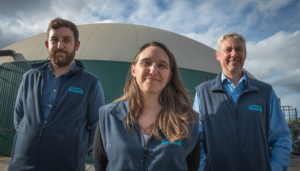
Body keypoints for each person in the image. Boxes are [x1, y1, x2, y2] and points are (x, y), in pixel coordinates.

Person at [8, 18, 105, 171]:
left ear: (76, 45)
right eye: (54, 40)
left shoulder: (91, 83)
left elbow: (97, 126)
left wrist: (77, 151)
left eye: (66, 40)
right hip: (21, 165)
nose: (60, 46)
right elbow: (19, 117)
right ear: (47, 45)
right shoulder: (29, 77)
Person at [93, 41, 200, 171]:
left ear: (169, 76)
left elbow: (192, 167)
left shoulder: (188, 120)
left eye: (162, 65)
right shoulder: (108, 116)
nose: (153, 70)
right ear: (133, 70)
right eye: (146, 63)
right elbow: (100, 166)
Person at [193, 32, 292, 171]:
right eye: (228, 50)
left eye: (239, 49)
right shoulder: (203, 93)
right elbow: (196, 141)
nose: (234, 54)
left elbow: (282, 139)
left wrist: (274, 168)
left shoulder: (265, 92)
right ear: (218, 55)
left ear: (245, 54)